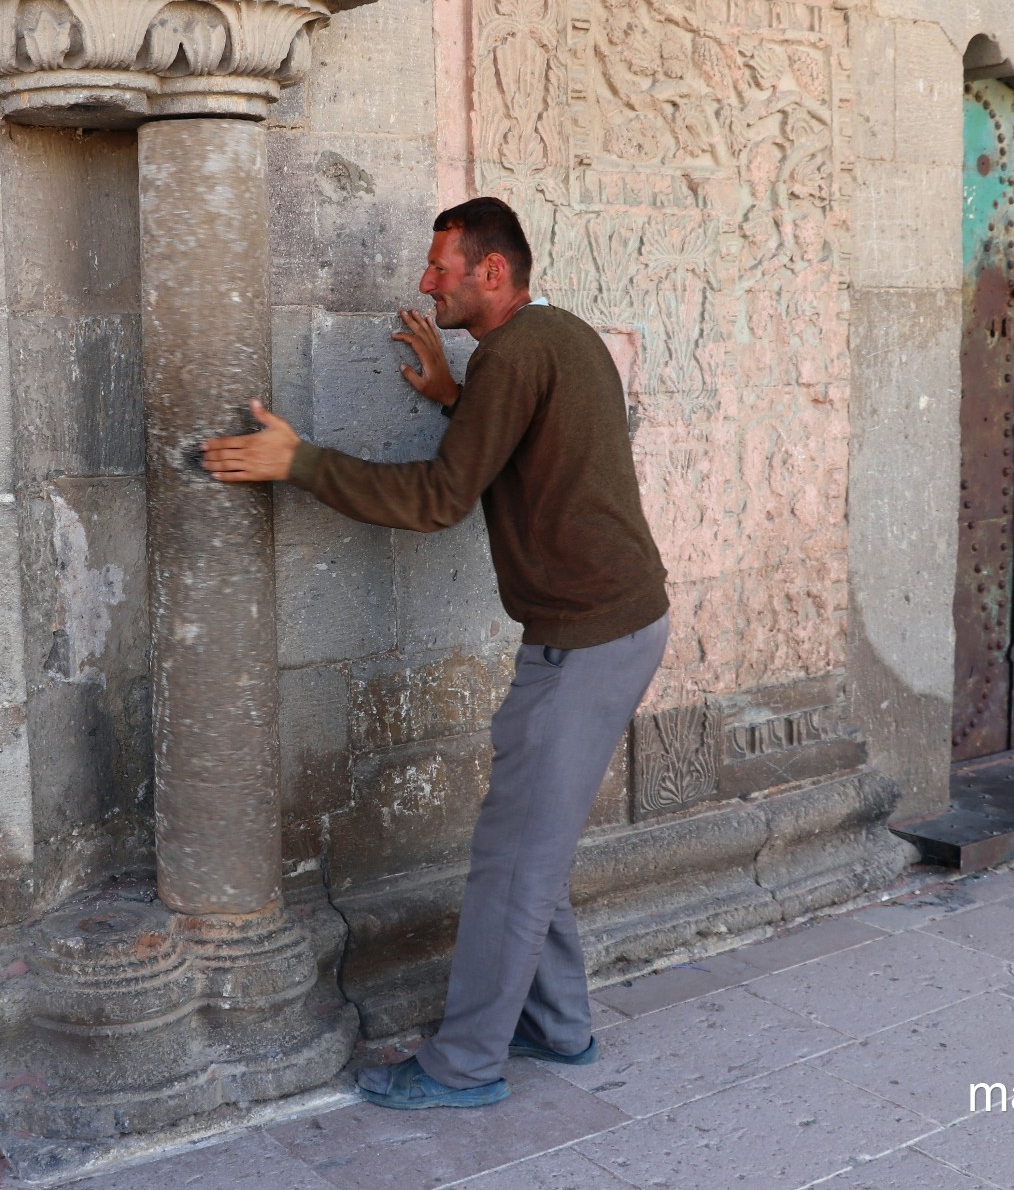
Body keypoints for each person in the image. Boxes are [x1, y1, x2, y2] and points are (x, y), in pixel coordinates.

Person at [200, 196, 671, 1110]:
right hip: (613, 625)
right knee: (530, 838)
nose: (426, 283)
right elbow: (532, 441)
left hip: (590, 638)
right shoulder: (552, 342)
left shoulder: (514, 355)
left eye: (441, 268)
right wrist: (457, 399)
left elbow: (438, 500)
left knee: (512, 857)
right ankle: (559, 1024)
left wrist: (297, 462)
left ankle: (465, 1065)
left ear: (492, 272)